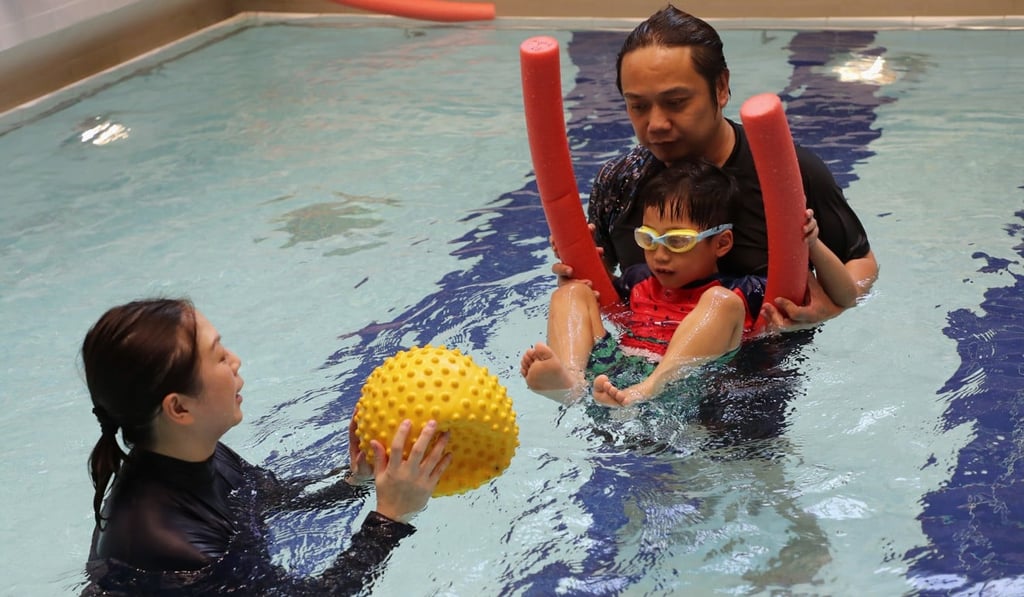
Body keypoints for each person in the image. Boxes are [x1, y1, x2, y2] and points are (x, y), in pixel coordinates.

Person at [80, 298, 452, 595]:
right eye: (219, 356)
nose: (236, 361)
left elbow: (267, 498)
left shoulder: (189, 452)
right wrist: (389, 519)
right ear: (179, 408)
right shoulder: (176, 548)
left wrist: (356, 482)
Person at [553, 4, 877, 332]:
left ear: (720, 88)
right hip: (641, 360)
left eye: (676, 102)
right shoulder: (619, 181)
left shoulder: (787, 175)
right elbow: (609, 287)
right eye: (638, 106)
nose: (656, 124)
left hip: (764, 371)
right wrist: (580, 274)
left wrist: (831, 309)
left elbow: (861, 261)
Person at [522, 160, 856, 407]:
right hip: (616, 372)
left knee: (720, 301)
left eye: (677, 241)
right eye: (649, 239)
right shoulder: (639, 280)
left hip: (685, 386)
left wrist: (811, 243)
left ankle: (648, 388)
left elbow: (845, 296)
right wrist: (578, 260)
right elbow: (604, 306)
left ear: (721, 244)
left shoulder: (746, 290)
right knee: (573, 290)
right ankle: (569, 381)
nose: (660, 255)